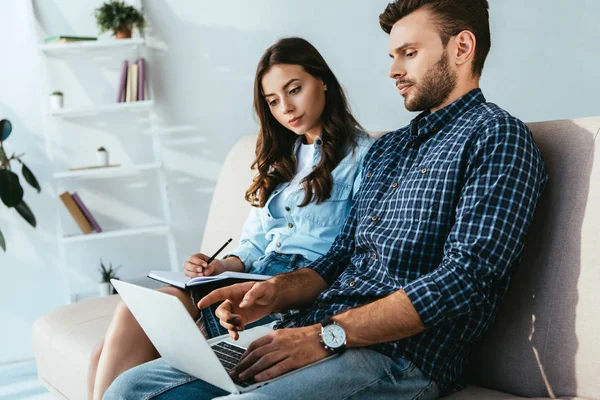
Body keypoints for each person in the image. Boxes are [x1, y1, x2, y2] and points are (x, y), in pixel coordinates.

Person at [104, 0, 549, 399]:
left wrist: (326, 337)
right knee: (133, 387)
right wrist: (273, 292)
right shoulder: (391, 148)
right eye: (392, 56)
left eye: (409, 54)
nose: (393, 70)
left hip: (394, 358)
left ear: (462, 47)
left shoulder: (497, 137)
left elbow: (466, 280)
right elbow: (339, 257)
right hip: (312, 327)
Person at [88, 37, 373, 400]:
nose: (286, 108)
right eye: (273, 101)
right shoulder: (279, 160)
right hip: (250, 275)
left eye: (294, 90)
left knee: (108, 358)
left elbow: (357, 247)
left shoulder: (365, 156)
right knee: (125, 322)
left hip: (294, 286)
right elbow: (253, 244)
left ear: (324, 82)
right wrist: (221, 264)